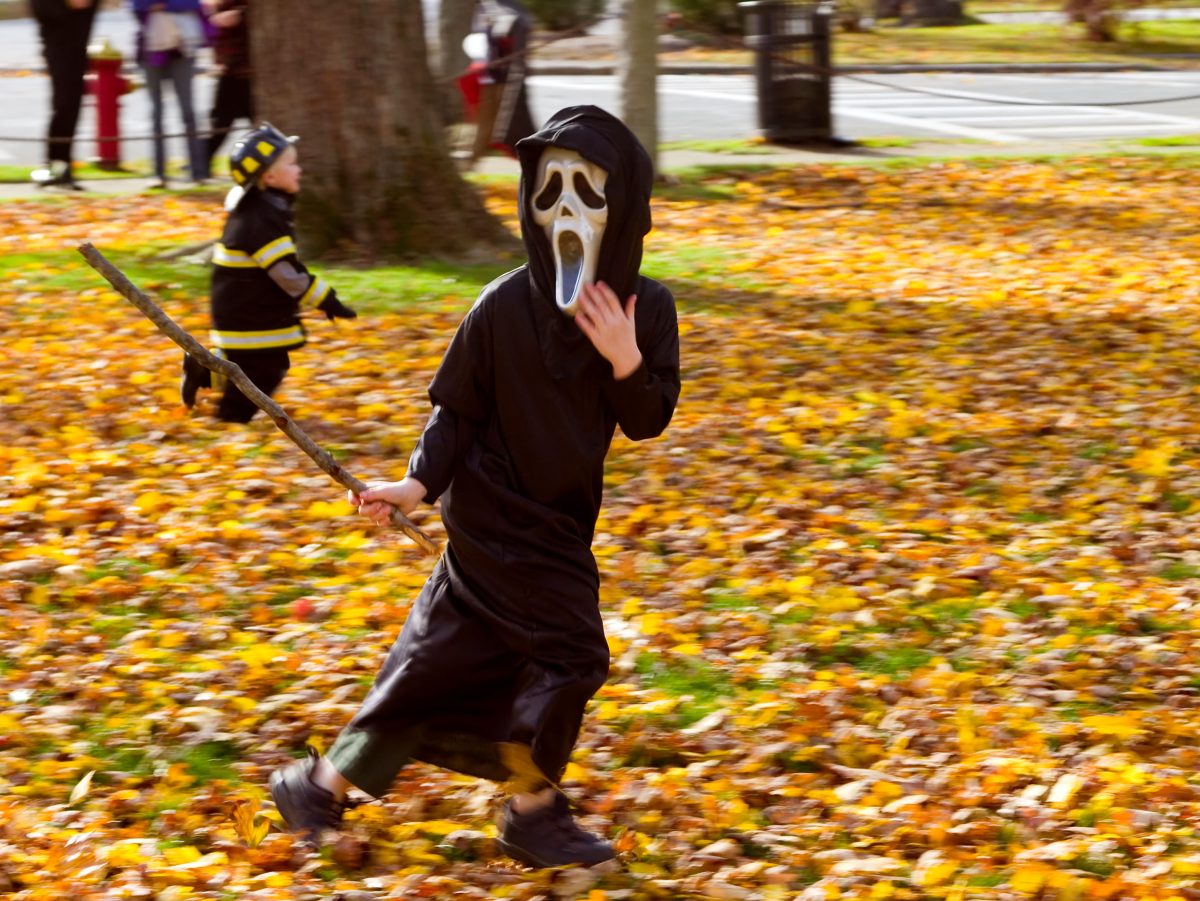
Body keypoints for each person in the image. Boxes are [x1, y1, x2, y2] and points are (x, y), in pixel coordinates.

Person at [268, 105, 680, 868]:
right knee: (573, 652)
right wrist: (415, 484)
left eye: (587, 188)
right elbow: (456, 412)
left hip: (560, 517)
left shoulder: (646, 309)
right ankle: (532, 810)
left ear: (624, 202)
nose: (566, 207)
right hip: (492, 513)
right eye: (551, 187)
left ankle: (317, 785)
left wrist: (624, 359)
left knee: (438, 665)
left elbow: (648, 418)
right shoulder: (501, 306)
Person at [180, 123, 357, 423]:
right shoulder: (261, 218)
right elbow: (286, 274)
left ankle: (206, 371)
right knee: (266, 369)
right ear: (269, 177)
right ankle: (231, 421)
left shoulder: (261, 209)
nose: (299, 170)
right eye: (292, 164)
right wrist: (327, 299)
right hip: (248, 313)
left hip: (244, 308)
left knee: (258, 365)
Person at [130, 0, 210, 188]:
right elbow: (137, 6)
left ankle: (198, 172)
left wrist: (165, 5)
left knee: (188, 112)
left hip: (182, 51)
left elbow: (192, 4)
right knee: (156, 114)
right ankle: (158, 174)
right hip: (152, 53)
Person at [29, 0, 98, 190]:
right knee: (63, 105)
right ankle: (53, 163)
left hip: (78, 51)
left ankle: (63, 166)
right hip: (57, 49)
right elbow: (42, 10)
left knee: (72, 106)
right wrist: (68, 4)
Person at [469, 0, 536, 164]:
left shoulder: (515, 13)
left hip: (508, 80)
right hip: (490, 76)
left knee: (510, 122)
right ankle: (475, 157)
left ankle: (526, 158)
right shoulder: (485, 8)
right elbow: (482, 42)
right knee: (486, 121)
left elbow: (518, 46)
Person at [201, 0, 252, 169]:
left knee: (225, 121)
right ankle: (202, 162)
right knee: (221, 122)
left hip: (244, 73)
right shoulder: (222, 6)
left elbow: (229, 19)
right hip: (231, 72)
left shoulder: (244, 8)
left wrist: (236, 15)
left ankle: (203, 162)